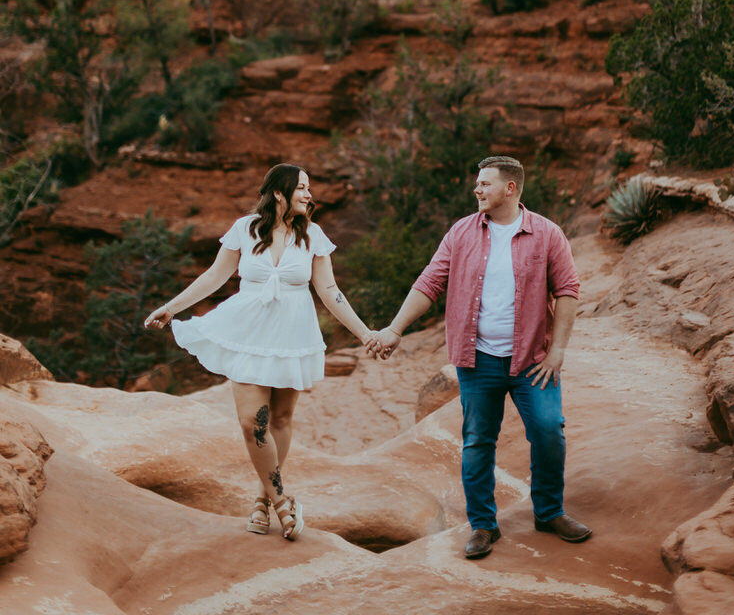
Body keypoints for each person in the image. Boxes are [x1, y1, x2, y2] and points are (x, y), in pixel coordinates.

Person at [370, 154, 590, 559]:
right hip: (478, 360)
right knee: (477, 443)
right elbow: (429, 283)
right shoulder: (462, 232)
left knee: (547, 431)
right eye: (477, 182)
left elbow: (568, 290)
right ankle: (484, 526)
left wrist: (557, 350)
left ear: (510, 188)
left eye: (484, 183)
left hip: (531, 360)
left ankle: (549, 512)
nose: (476, 189)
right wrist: (395, 328)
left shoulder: (546, 233)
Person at [145, 162, 378, 541]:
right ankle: (283, 500)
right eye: (301, 188)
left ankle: (263, 497)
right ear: (278, 193)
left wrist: (365, 333)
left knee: (281, 421)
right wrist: (171, 307)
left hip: (292, 337)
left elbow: (330, 291)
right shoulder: (245, 228)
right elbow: (214, 276)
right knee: (252, 423)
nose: (308, 194)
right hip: (248, 335)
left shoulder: (312, 236)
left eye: (309, 188)